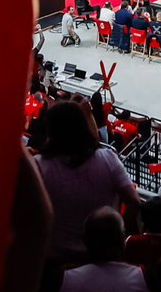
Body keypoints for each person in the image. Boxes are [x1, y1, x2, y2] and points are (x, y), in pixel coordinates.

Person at [33, 100, 141, 264]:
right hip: (101, 256)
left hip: (54, 258)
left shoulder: (39, 166)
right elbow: (134, 201)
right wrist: (120, 233)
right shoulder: (107, 159)